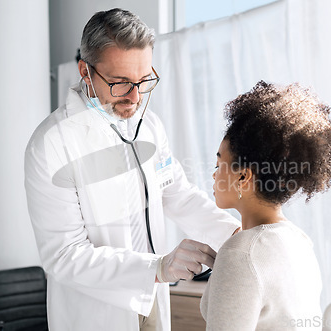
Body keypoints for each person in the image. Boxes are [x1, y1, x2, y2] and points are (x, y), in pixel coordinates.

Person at [24, 8, 240, 331]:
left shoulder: (149, 126)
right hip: (97, 313)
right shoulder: (52, 144)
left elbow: (177, 195)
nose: (135, 97)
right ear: (85, 71)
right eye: (120, 83)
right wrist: (158, 268)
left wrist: (239, 236)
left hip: (152, 297)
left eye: (143, 80)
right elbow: (65, 255)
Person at [200, 81, 331, 330]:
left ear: (243, 177)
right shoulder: (299, 241)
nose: (214, 175)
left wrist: (232, 260)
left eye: (219, 165)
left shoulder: (240, 253)